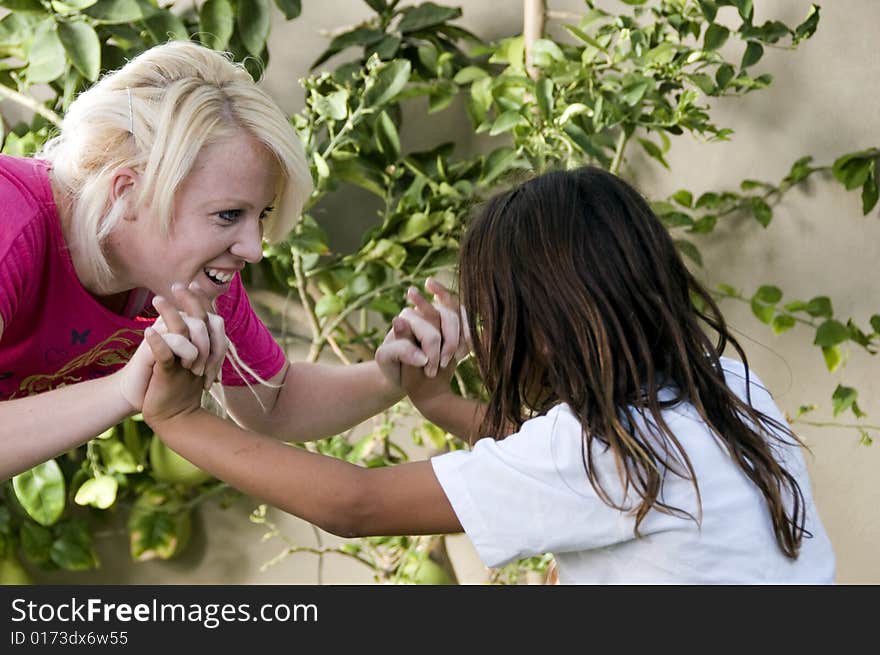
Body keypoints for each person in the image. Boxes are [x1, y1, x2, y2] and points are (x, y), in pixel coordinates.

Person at [139, 165, 836, 584]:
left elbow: (357, 504)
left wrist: (179, 420)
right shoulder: (724, 387)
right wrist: (437, 401)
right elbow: (570, 456)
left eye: (492, 305)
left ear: (542, 315)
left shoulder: (592, 452)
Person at [0, 40, 458, 481]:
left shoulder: (189, 274)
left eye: (261, 215)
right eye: (228, 215)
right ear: (128, 192)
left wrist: (390, 377)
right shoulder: (10, 220)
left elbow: (275, 403)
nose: (254, 249)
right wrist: (120, 391)